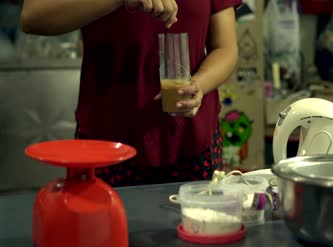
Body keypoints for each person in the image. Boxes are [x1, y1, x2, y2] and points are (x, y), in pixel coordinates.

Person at [21, 0, 242, 186]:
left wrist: (199, 85)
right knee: (107, 234)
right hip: (108, 142)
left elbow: (225, 48)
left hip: (192, 141)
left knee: (197, 231)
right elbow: (34, 16)